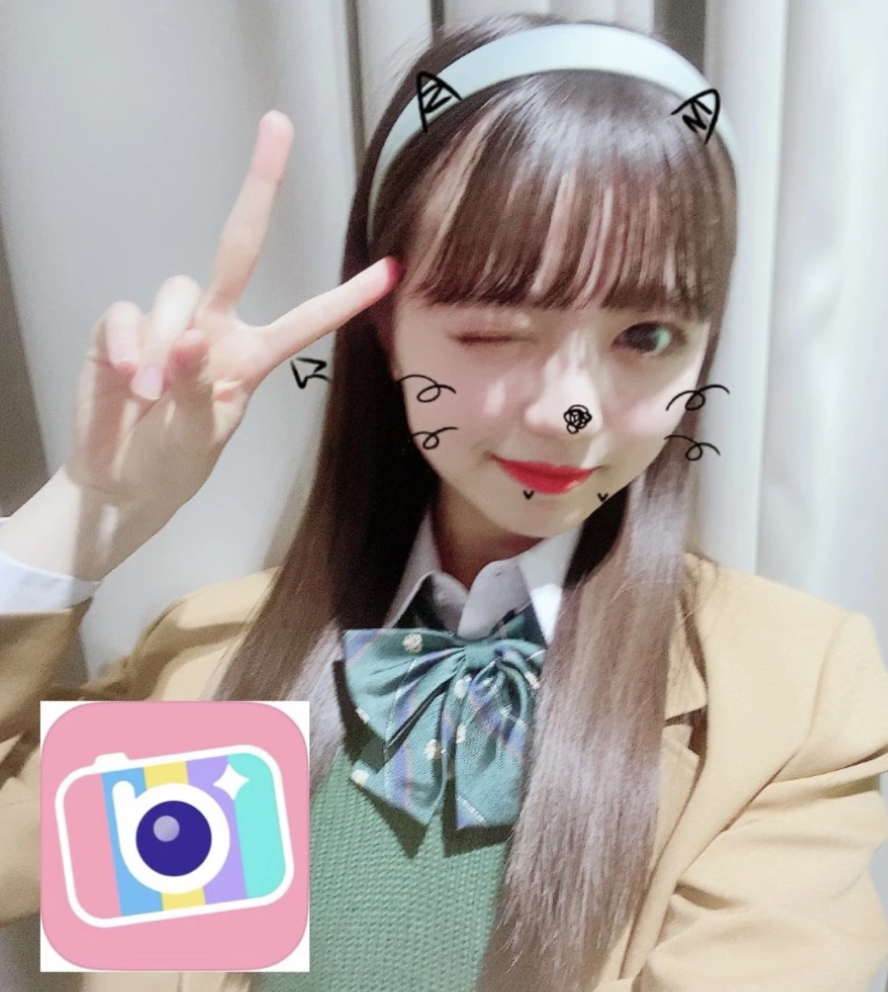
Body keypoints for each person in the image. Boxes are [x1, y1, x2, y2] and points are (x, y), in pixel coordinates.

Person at [2, 12, 888, 992]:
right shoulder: (215, 656)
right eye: (493, 331)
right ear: (386, 328)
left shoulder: (785, 696)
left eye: (646, 337)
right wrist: (94, 508)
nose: (569, 412)